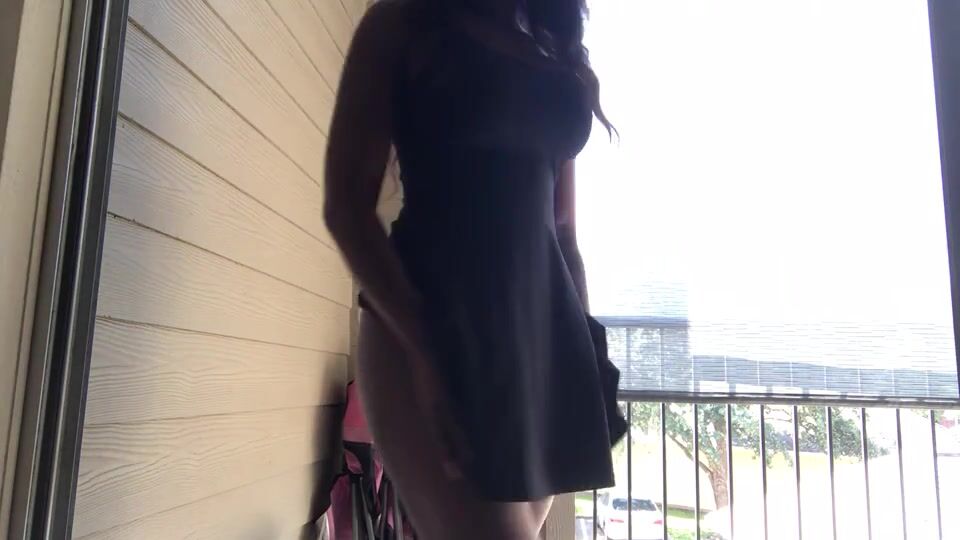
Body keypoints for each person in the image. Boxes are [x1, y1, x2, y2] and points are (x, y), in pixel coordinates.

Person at [324, 0, 620, 537]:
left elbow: (562, 230)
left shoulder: (553, 52)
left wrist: (586, 349)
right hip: (435, 331)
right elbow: (346, 208)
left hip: (543, 352)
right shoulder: (402, 24)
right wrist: (427, 356)